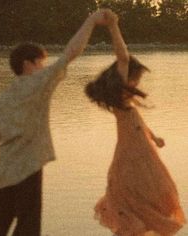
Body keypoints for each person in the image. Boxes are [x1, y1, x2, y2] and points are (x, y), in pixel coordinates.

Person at [0, 9, 113, 236]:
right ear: (28, 64)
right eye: (41, 63)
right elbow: (71, 53)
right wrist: (91, 21)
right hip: (29, 167)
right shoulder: (38, 83)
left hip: (5, 170)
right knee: (29, 226)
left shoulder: (3, 96)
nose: (44, 67)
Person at [85, 11, 186, 236]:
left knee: (151, 197)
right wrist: (113, 27)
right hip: (131, 157)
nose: (138, 82)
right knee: (136, 200)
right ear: (126, 78)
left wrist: (154, 136)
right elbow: (123, 57)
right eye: (136, 77)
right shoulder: (120, 98)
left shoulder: (127, 103)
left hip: (143, 155)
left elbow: (137, 123)